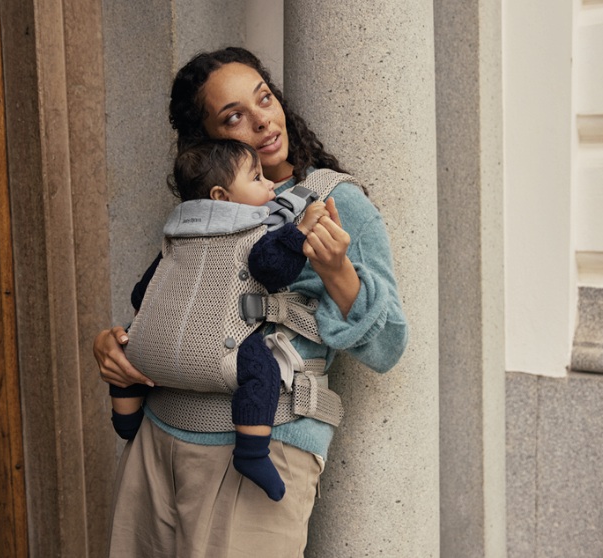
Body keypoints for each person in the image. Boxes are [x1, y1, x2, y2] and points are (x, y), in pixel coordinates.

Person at [94, 46, 408, 557]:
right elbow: (171, 306)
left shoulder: (336, 202)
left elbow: (389, 345)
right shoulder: (209, 209)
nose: (261, 120)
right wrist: (117, 345)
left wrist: (336, 270)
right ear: (208, 140)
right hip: (155, 439)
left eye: (263, 98)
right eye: (233, 116)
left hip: (263, 448)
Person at [111, 137, 331, 502]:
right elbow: (273, 269)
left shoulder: (178, 234)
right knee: (262, 367)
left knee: (128, 345)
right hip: (220, 348)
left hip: (154, 349)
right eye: (257, 178)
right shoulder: (257, 231)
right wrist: (300, 232)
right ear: (221, 196)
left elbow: (142, 293)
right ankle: (251, 453)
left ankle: (125, 420)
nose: (270, 184)